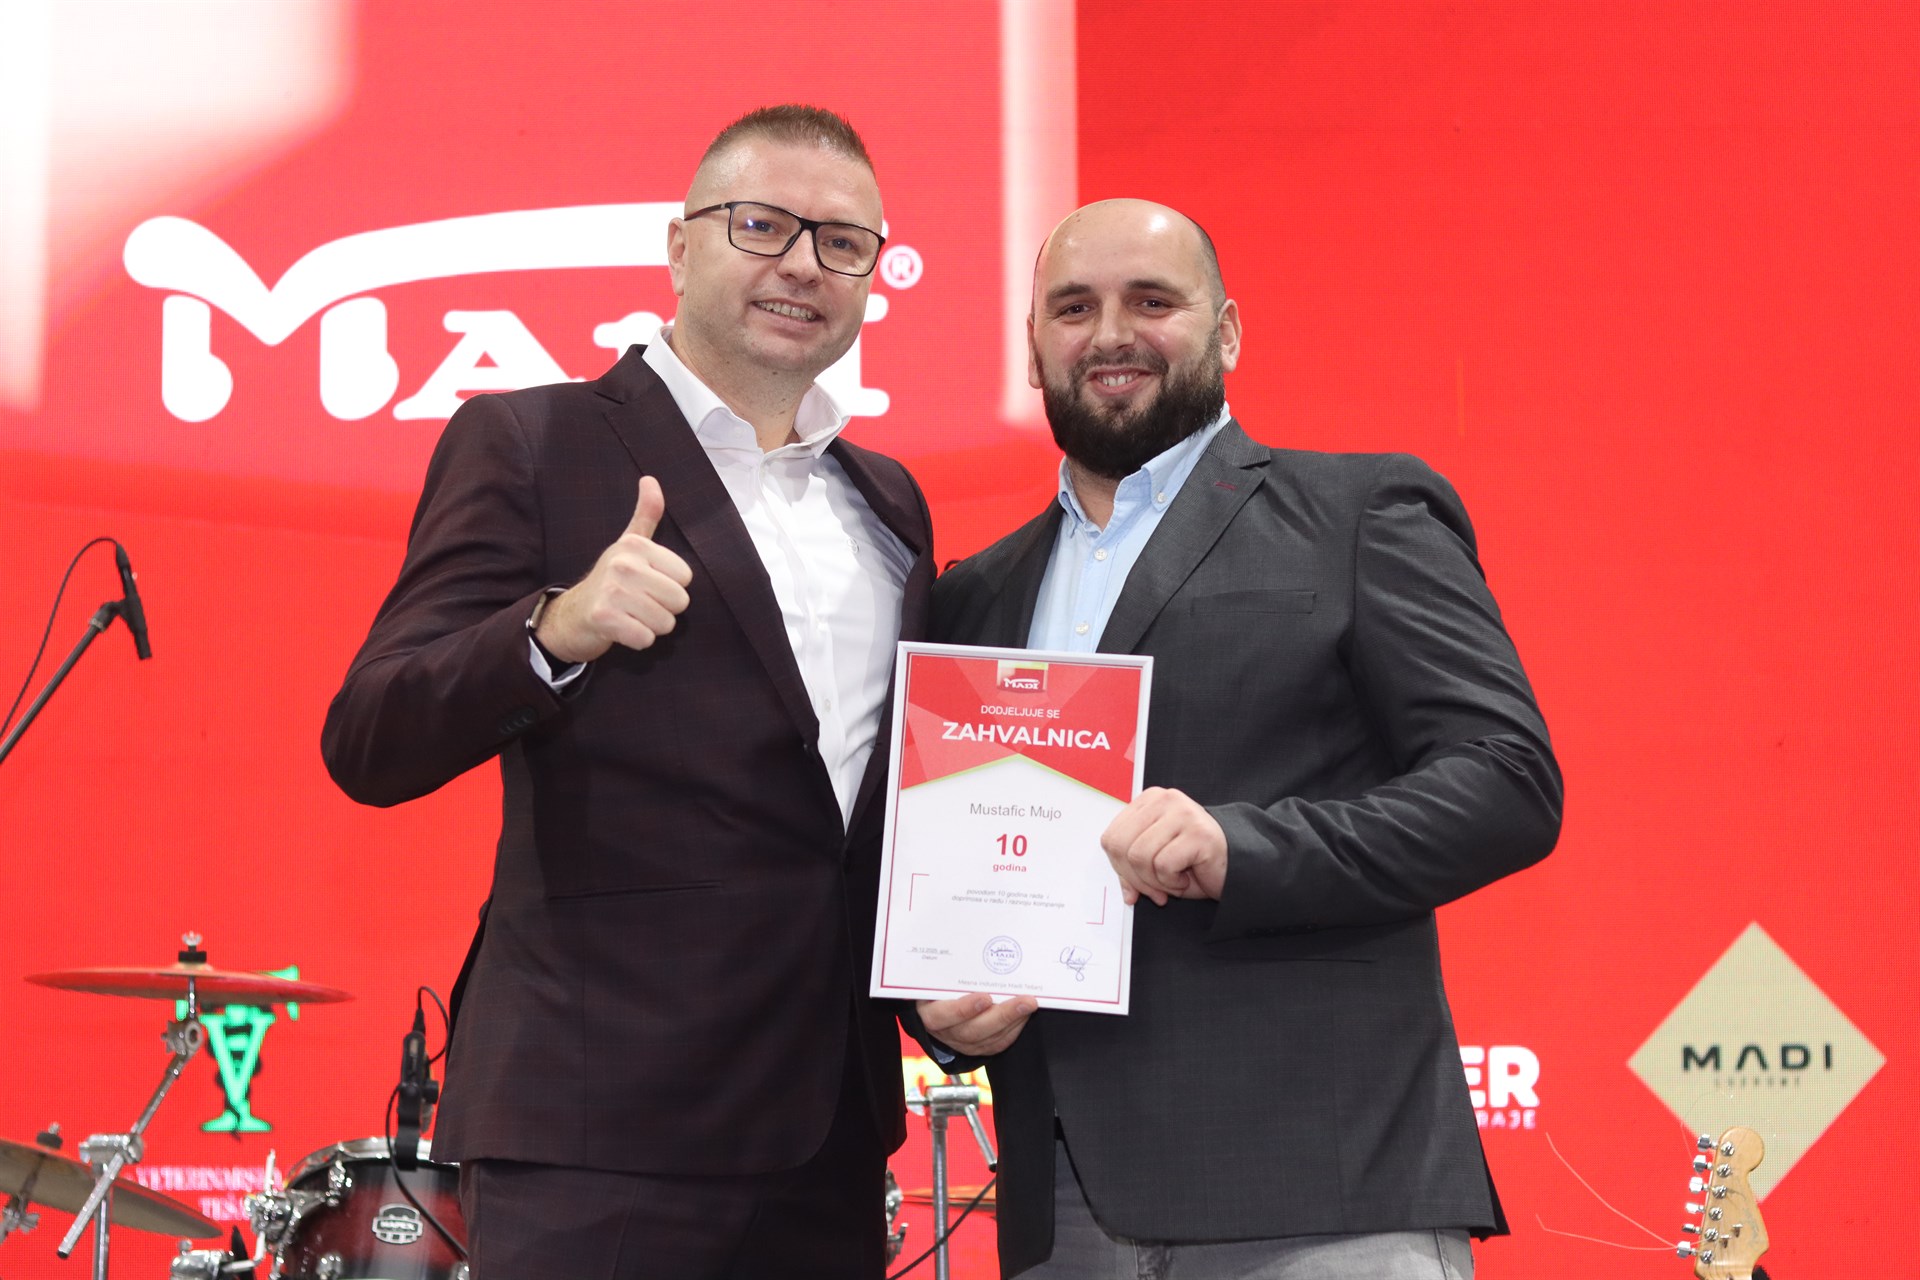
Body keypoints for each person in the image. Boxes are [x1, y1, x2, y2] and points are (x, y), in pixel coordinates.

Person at [321, 105, 932, 1279]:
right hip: (600, 1129)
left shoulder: (889, 502)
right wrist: (552, 630)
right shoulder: (533, 439)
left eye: (843, 242)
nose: (803, 263)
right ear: (680, 246)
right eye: (763, 225)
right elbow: (370, 733)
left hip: (832, 1133)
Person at [918, 199, 1562, 1279]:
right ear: (1033, 348)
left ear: (1225, 333)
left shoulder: (1359, 511)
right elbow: (939, 876)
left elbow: (1507, 782)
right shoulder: (971, 598)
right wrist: (941, 1013)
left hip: (1322, 1190)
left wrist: (1239, 846)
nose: (1109, 334)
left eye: (1151, 301)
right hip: (1062, 1207)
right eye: (1072, 308)